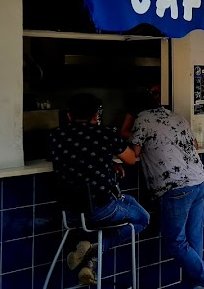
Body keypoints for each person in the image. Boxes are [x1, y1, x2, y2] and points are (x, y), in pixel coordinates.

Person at [128, 91, 204, 289]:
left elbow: (134, 153)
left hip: (175, 187)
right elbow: (195, 145)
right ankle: (195, 286)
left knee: (175, 243)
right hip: (199, 181)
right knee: (193, 239)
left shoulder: (142, 119)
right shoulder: (177, 117)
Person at [48, 93, 149, 285]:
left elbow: (77, 158)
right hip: (102, 210)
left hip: (70, 212)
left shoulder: (56, 136)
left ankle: (89, 256)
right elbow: (130, 159)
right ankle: (95, 248)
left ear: (69, 115)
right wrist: (111, 159)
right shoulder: (105, 134)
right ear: (96, 115)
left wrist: (108, 162)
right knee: (142, 218)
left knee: (127, 202)